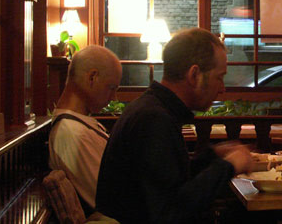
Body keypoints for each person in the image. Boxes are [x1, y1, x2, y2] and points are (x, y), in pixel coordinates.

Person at [96, 27, 252, 223]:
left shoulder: (152, 108)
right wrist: (229, 166)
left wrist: (212, 157)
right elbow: (172, 211)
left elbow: (168, 182)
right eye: (219, 77)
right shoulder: (153, 120)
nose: (222, 88)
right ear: (194, 75)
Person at [48, 45, 122, 212]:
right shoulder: (72, 133)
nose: (114, 97)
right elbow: (111, 200)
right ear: (92, 77)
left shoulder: (79, 125)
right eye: (111, 88)